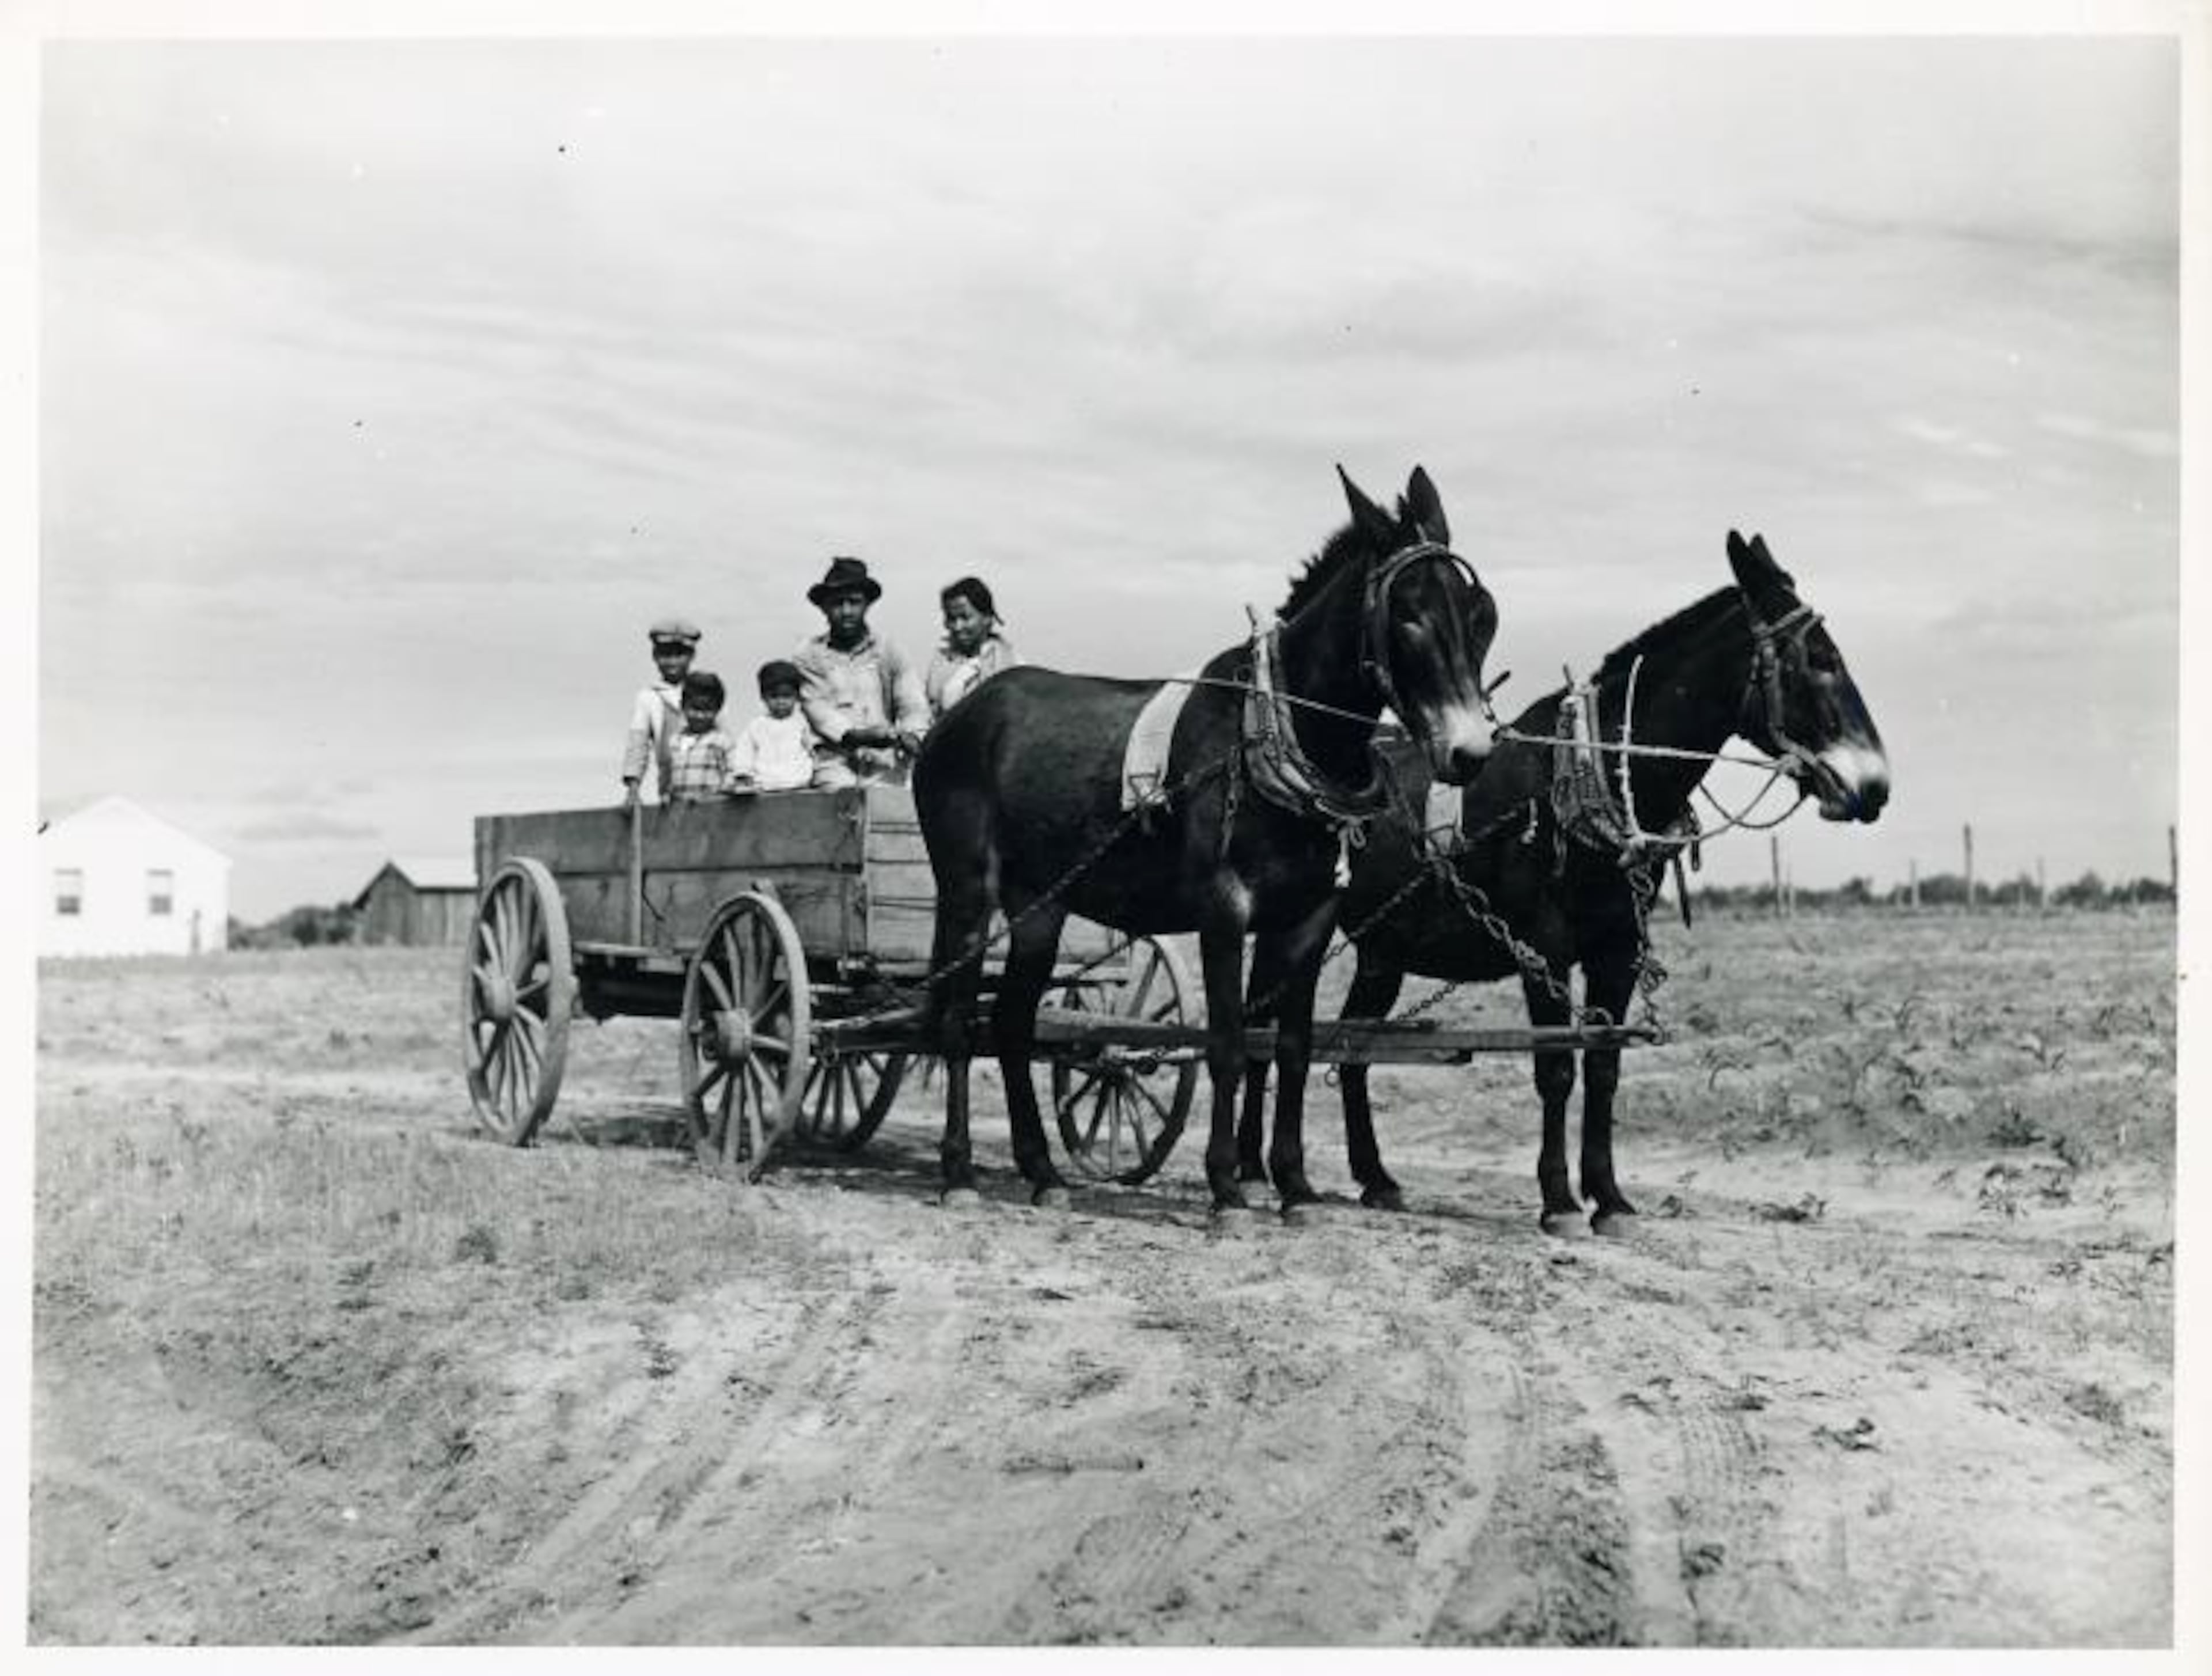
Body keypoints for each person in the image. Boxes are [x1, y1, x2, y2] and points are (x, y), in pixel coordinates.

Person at [792, 556, 927, 787]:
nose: (846, 611)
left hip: (887, 766)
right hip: (834, 765)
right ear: (824, 608)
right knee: (841, 808)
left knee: (896, 811)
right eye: (837, 603)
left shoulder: (890, 650)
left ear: (867, 604)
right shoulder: (808, 656)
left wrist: (913, 735)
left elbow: (912, 704)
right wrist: (860, 736)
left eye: (854, 602)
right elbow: (820, 714)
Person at [621, 617, 701, 809]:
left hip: (708, 785)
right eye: (666, 655)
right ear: (655, 657)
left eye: (679, 655)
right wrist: (633, 790)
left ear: (691, 656)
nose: (672, 662)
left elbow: (724, 738)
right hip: (670, 789)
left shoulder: (703, 688)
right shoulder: (649, 698)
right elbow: (637, 746)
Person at [925, 575, 1018, 722]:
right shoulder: (941, 663)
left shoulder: (1010, 664)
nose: (957, 626)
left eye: (965, 618)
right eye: (951, 619)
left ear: (987, 617)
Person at [729, 659, 817, 793]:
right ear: (763, 697)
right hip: (765, 784)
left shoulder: (802, 723)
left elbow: (814, 749)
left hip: (798, 783)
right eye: (774, 697)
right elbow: (744, 751)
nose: (781, 702)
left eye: (787, 696)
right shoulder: (757, 726)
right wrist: (743, 773)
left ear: (797, 696)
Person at [664, 671, 739, 803]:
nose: (700, 716)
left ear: (718, 710)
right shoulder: (674, 741)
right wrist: (667, 794)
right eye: (695, 709)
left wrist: (719, 795)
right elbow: (669, 776)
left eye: (707, 710)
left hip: (712, 810)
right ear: (683, 706)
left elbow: (732, 773)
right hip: (681, 811)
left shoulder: (722, 741)